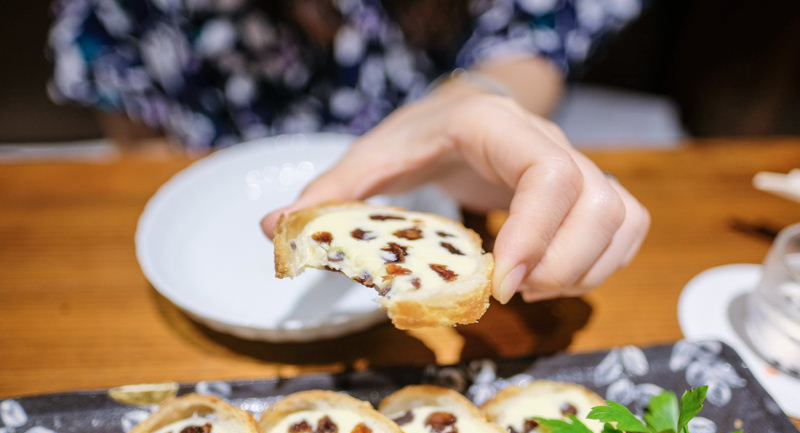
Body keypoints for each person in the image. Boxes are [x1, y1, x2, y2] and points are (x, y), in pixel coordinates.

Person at [50, 0, 650, 304]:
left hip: (435, 179)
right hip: (204, 160)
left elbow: (532, 35)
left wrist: (481, 99)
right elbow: (129, 107)